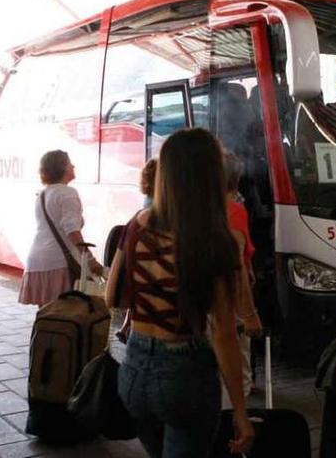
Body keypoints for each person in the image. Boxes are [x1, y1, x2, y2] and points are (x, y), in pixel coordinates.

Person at [106, 129, 255, 457]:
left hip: (133, 371)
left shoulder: (136, 225)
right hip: (184, 376)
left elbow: (112, 297)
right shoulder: (217, 239)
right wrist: (242, 414)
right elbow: (225, 335)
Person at [19, 150, 102, 305]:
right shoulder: (68, 193)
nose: (73, 166)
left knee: (49, 317)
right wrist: (90, 260)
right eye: (70, 163)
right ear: (63, 167)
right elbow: (71, 230)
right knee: (67, 317)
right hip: (59, 263)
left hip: (37, 262)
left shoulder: (43, 194)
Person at [223, 151, 263, 396]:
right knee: (238, 354)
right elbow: (235, 267)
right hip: (229, 300)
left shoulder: (195, 208)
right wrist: (250, 315)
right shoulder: (234, 211)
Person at [116, 159, 158, 343]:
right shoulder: (169, 215)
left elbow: (112, 294)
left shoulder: (136, 220)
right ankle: (127, 326)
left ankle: (127, 327)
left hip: (139, 348)